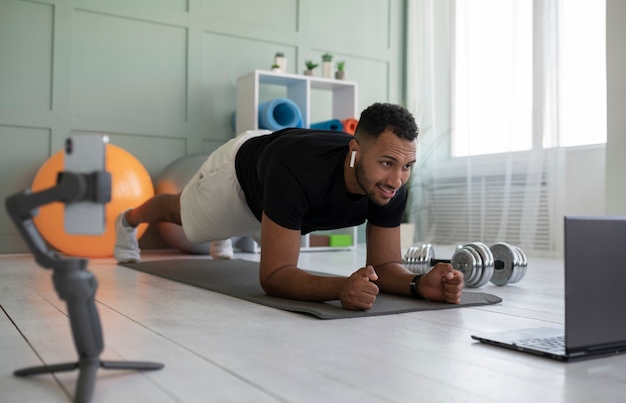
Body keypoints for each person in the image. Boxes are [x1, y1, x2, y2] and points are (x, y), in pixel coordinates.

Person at [114, 102, 465, 310]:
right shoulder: (297, 171)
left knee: (260, 227)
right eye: (387, 163)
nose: (397, 179)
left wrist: (419, 285)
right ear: (355, 150)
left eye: (407, 166)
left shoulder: (392, 186)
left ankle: (225, 235)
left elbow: (386, 264)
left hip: (277, 194)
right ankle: (127, 221)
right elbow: (274, 277)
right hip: (240, 178)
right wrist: (340, 287)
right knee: (183, 217)